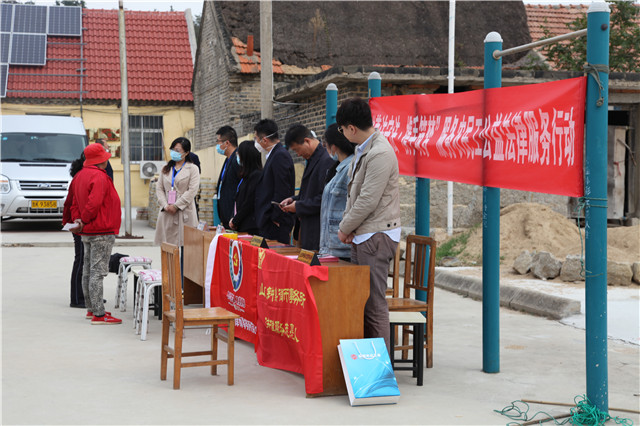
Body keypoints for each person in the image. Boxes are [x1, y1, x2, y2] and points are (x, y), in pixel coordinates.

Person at [336, 97, 401, 351]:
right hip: (363, 234)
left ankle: (381, 368)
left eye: (342, 129)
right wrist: (350, 228)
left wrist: (344, 228)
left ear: (351, 128)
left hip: (375, 236)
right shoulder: (364, 149)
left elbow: (367, 200)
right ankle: (366, 361)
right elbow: (354, 195)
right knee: (361, 303)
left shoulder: (380, 153)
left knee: (374, 305)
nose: (342, 133)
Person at [70, 143, 122, 324]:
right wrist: (84, 219)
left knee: (88, 270)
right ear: (100, 160)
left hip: (87, 231)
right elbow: (94, 203)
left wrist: (79, 220)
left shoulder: (79, 176)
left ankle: (91, 309)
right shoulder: (99, 176)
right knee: (97, 273)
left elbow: (74, 203)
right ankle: (99, 314)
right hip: (101, 230)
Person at [281, 124, 335, 251]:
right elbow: (309, 193)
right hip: (305, 229)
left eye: (297, 150)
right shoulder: (312, 159)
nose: (298, 154)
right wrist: (294, 199)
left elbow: (324, 199)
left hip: (317, 231)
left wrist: (298, 206)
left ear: (307, 141)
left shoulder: (325, 160)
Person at [253, 119, 295, 245]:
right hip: (268, 221)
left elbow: (282, 189)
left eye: (256, 139)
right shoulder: (273, 155)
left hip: (274, 223)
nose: (256, 142)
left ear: (264, 140)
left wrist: (276, 218)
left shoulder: (280, 156)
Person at [318, 123, 356, 260]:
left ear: (333, 147)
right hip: (332, 244)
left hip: (342, 245)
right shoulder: (337, 169)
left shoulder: (351, 168)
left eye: (326, 145)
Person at [154, 137, 200, 249]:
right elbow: (159, 188)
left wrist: (176, 205)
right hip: (167, 211)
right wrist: (165, 205)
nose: (174, 153)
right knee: (168, 247)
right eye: (173, 149)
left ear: (186, 153)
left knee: (186, 247)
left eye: (177, 150)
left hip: (184, 211)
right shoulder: (166, 168)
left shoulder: (193, 169)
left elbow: (192, 190)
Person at [63, 153, 86, 308]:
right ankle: (76, 298)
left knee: (85, 261)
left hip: (80, 223)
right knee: (81, 259)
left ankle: (87, 295)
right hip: (78, 224)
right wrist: (77, 220)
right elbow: (73, 204)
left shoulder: (83, 175)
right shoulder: (80, 178)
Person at [228, 140, 262, 234]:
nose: (237, 156)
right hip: (241, 224)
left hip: (251, 226)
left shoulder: (256, 176)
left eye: (239, 154)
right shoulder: (245, 176)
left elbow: (249, 202)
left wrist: (236, 220)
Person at [215, 126, 241, 228]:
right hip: (226, 214)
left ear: (227, 143)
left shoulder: (237, 159)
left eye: (218, 142)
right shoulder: (228, 159)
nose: (217, 145)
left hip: (233, 215)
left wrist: (235, 216)